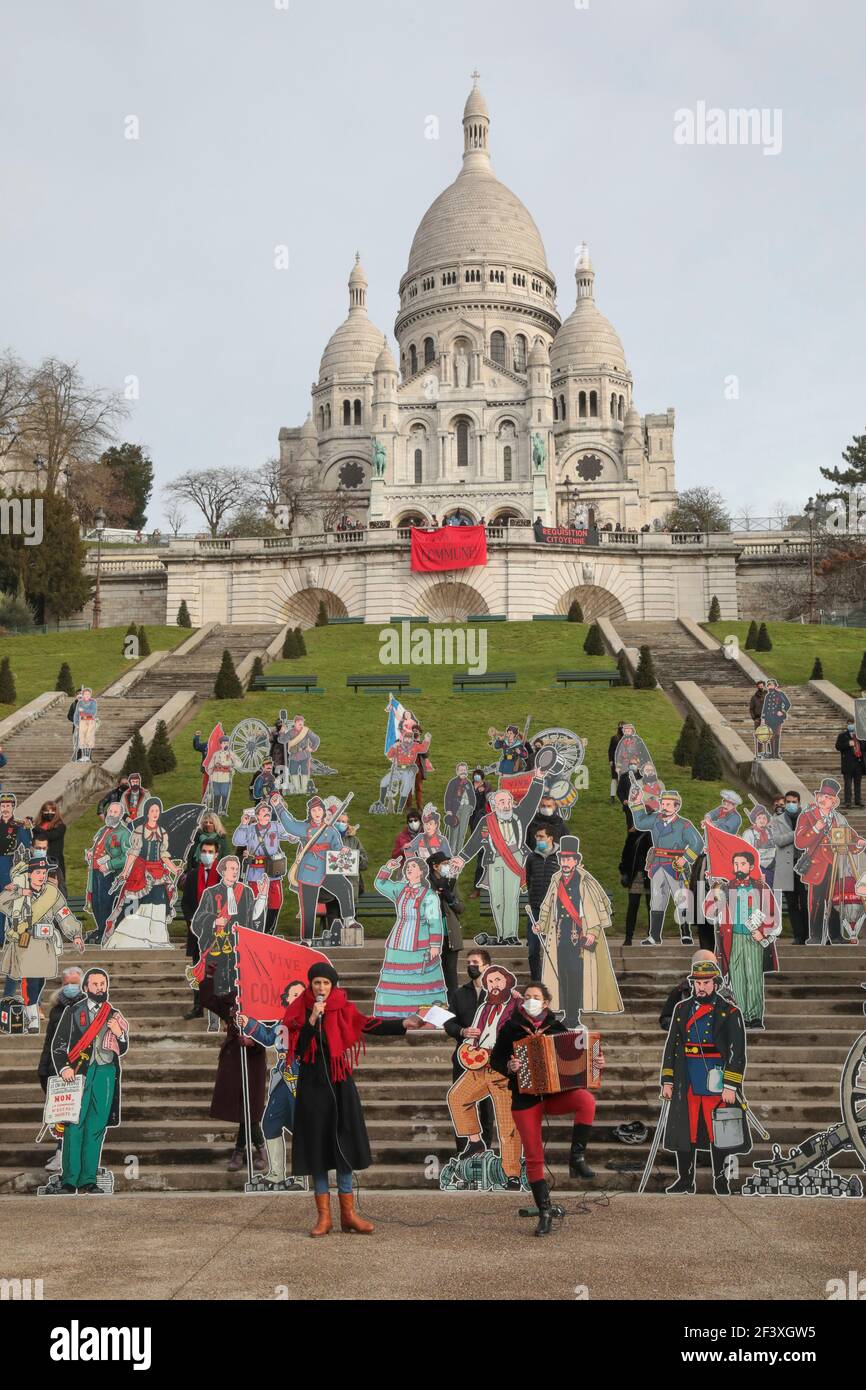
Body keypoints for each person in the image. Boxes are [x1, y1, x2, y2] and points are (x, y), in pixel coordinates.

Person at [284, 960, 423, 1235]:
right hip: (312, 1085)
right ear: (310, 985)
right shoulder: (300, 1009)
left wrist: (403, 1023)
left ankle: (348, 1214)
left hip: (339, 1083)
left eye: (326, 983)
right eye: (317, 983)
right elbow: (299, 1048)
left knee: (343, 1144)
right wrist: (312, 1019)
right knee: (318, 1148)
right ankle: (324, 1217)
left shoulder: (344, 1007)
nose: (321, 987)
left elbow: (368, 1024)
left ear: (333, 985)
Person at [491, 982, 599, 1233]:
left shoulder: (557, 1028)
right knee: (533, 1155)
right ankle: (545, 1211)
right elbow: (495, 1059)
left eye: (535, 997)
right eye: (527, 997)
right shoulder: (511, 1028)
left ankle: (577, 1158)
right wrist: (510, 1067)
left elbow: (577, 1059)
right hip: (525, 1098)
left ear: (546, 1003)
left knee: (586, 1101)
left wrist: (595, 1061)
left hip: (552, 1095)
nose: (530, 1000)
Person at [659, 952, 750, 1195]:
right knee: (684, 1130)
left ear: (715, 984)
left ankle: (721, 1180)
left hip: (716, 1080)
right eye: (697, 983)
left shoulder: (730, 1012)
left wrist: (730, 1086)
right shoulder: (681, 1009)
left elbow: (736, 1053)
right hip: (687, 1077)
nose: (701, 987)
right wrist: (667, 1080)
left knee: (720, 1132)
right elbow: (672, 1046)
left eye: (706, 982)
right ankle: (685, 1180)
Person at [445, 964, 523, 1189]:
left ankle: (512, 1174)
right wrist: (468, 1049)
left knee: (507, 1124)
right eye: (490, 982)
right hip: (480, 1066)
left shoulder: (518, 1006)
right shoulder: (484, 1008)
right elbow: (475, 1035)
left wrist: (523, 1001)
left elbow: (534, 1021)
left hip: (503, 1068)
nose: (494, 985)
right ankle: (476, 1142)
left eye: (498, 980)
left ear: (507, 982)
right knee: (457, 1098)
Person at [51, 967, 129, 1194]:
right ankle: (70, 1179)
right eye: (95, 984)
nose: (99, 988)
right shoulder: (74, 1012)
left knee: (97, 1127)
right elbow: (59, 1045)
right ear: (86, 988)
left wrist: (120, 1034)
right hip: (79, 1074)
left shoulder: (113, 1013)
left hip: (105, 1073)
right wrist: (64, 1067)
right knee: (75, 1125)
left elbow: (121, 1049)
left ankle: (88, 1179)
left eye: (103, 984)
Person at [534, 835, 623, 1026]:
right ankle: (567, 1013)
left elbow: (596, 910)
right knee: (563, 975)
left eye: (568, 859)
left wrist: (592, 932)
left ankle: (573, 1017)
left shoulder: (586, 881)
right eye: (562, 859)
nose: (565, 863)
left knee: (575, 975)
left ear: (576, 860)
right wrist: (540, 925)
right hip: (559, 936)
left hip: (580, 936)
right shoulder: (556, 879)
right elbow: (548, 906)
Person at [452, 768, 545, 945]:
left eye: (508, 801)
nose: (506, 805)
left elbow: (532, 800)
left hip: (515, 859)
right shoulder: (487, 821)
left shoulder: (520, 816)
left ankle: (510, 935)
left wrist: (538, 779)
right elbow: (474, 842)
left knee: (511, 898)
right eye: (501, 802)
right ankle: (502, 935)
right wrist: (462, 858)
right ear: (495, 806)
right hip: (493, 861)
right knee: (497, 900)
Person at [0, 854, 84, 1033]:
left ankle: (32, 1009)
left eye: (44, 872)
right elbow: (2, 902)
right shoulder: (20, 891)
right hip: (25, 941)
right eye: (37, 872)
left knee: (38, 981)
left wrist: (75, 933)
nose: (41, 876)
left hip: (44, 944)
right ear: (29, 874)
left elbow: (63, 914)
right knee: (30, 979)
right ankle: (32, 1016)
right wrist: (18, 892)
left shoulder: (52, 893)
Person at [237, 979, 306, 1189]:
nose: (296, 999)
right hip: (283, 1080)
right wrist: (248, 1022)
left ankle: (303, 1176)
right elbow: (267, 1037)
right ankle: (276, 1173)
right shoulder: (282, 1023)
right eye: (293, 995)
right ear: (286, 999)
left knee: (302, 1127)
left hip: (303, 1081)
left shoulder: (311, 1022)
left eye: (300, 995)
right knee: (270, 1123)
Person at [270, 792, 361, 942]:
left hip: (326, 869)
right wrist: (278, 806)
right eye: (314, 810)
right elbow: (290, 824)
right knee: (308, 906)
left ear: (323, 812)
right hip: (309, 870)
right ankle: (307, 939)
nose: (317, 813)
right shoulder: (305, 828)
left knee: (345, 886)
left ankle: (349, 919)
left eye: (319, 810)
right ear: (310, 813)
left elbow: (337, 846)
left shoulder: (331, 830)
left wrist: (343, 850)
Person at [199, 973, 267, 1174]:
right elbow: (206, 1000)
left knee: (250, 1107)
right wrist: (210, 976)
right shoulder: (230, 1000)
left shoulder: (263, 1002)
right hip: (233, 1059)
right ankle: (256, 1151)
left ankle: (243, 1152)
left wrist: (254, 1041)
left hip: (253, 1059)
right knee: (242, 1107)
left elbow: (270, 1030)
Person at [373, 855, 446, 1017]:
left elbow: (434, 921)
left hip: (420, 945)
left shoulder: (429, 895)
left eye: (413, 866)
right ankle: (392, 1014)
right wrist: (387, 868)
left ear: (421, 872)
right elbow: (380, 884)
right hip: (397, 942)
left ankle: (425, 1016)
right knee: (395, 979)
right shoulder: (400, 889)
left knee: (420, 980)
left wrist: (435, 945)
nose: (409, 869)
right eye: (407, 867)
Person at [794, 777, 864, 944]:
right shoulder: (808, 816)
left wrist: (859, 842)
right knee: (817, 902)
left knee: (836, 901)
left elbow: (850, 837)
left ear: (833, 802)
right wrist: (816, 828)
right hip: (818, 866)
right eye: (821, 795)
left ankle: (836, 936)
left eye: (827, 797)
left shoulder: (838, 818)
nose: (822, 799)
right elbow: (800, 841)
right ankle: (816, 936)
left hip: (836, 865)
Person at [105, 796, 180, 948]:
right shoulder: (140, 831)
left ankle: (156, 939)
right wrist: (125, 872)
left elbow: (163, 855)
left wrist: (174, 869)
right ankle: (131, 939)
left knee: (158, 905)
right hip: (141, 872)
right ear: (147, 812)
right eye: (152, 810)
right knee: (135, 906)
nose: (155, 813)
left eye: (157, 810)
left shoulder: (162, 832)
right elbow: (133, 853)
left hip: (158, 873)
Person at [632, 791, 703, 945]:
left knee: (681, 899)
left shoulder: (684, 824)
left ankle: (685, 933)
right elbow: (639, 823)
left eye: (668, 804)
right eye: (663, 804)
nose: (664, 807)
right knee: (657, 900)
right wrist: (637, 803)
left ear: (676, 807)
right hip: (657, 864)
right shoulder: (655, 819)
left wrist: (685, 859)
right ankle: (654, 935)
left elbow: (698, 843)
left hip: (676, 865)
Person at [37, 965, 83, 1174]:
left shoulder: (89, 1007)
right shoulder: (57, 1008)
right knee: (61, 1114)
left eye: (76, 983)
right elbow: (50, 1042)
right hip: (54, 1068)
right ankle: (63, 1153)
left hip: (77, 1069)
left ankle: (63, 1156)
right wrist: (43, 1067)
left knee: (69, 1115)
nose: (71, 987)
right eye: (68, 984)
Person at [232, 799, 295, 934]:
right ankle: (255, 929)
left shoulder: (276, 827)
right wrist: (243, 824)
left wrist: (291, 837)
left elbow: (288, 835)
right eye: (263, 811)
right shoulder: (250, 829)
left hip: (273, 869)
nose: (266, 814)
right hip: (256, 870)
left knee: (276, 900)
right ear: (257, 815)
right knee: (255, 900)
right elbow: (238, 840)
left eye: (268, 812)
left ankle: (269, 931)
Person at [181, 834, 222, 1022]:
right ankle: (198, 1006)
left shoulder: (223, 874)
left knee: (220, 969)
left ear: (216, 854)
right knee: (198, 969)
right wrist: (191, 923)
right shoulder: (192, 875)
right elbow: (186, 903)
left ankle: (220, 1007)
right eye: (204, 851)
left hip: (219, 933)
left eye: (210, 852)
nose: (207, 855)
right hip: (196, 932)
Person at [84, 801, 131, 945]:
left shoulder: (124, 833)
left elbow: (127, 856)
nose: (111, 814)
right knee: (97, 902)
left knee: (105, 902)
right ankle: (100, 929)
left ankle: (106, 931)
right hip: (96, 871)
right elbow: (97, 848)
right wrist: (90, 854)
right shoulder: (102, 830)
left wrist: (109, 864)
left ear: (121, 815)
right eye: (110, 811)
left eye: (115, 812)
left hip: (110, 874)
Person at [770, 792, 808, 944]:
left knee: (805, 903)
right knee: (792, 904)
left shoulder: (807, 818)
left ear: (799, 803)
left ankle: (809, 934)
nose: (791, 804)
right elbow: (778, 840)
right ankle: (798, 936)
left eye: (794, 801)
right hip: (786, 868)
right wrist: (796, 833)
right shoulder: (777, 820)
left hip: (804, 867)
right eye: (788, 802)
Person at [426, 850, 463, 995]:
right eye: (445, 863)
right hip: (432, 935)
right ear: (435, 866)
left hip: (450, 933)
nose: (448, 866)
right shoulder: (425, 884)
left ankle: (454, 1006)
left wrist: (450, 898)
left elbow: (461, 908)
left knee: (451, 974)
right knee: (432, 974)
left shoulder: (451, 882)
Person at [525, 823, 559, 975]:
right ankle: (536, 982)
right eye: (536, 836)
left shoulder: (560, 857)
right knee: (533, 949)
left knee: (555, 949)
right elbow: (528, 879)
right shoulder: (532, 857)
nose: (538, 839)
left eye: (541, 836)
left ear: (550, 838)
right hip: (536, 909)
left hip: (555, 910)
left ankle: (554, 980)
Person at [619, 822, 652, 946]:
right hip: (636, 875)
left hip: (651, 876)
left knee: (652, 908)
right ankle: (628, 937)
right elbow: (626, 854)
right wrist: (624, 872)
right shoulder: (633, 835)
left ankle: (651, 935)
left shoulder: (655, 833)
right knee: (632, 906)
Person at [0, 792, 31, 896]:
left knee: (7, 894)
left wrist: (27, 829)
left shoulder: (19, 825)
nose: (5, 809)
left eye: (8, 806)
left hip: (9, 864)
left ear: (13, 807)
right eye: (3, 806)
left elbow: (27, 845)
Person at [33, 802, 67, 894]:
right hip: (39, 861)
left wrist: (35, 827)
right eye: (46, 810)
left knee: (58, 886)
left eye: (52, 811)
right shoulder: (36, 827)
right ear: (42, 812)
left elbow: (50, 836)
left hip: (55, 862)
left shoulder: (61, 826)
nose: (49, 813)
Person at [204, 736, 243, 814]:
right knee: (216, 793)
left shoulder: (231, 754)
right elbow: (210, 765)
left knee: (224, 793)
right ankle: (215, 809)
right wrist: (210, 771)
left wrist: (233, 760)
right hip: (216, 776)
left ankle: (223, 809)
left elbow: (239, 764)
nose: (226, 745)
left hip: (225, 777)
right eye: (224, 743)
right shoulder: (216, 754)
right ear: (220, 744)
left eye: (227, 743)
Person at [444, 762, 474, 855]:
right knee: (454, 830)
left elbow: (472, 796)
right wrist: (448, 810)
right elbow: (448, 796)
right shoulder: (453, 782)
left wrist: (471, 807)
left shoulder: (468, 783)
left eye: (464, 770)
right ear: (457, 772)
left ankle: (459, 851)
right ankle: (451, 851)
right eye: (461, 770)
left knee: (462, 831)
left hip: (466, 808)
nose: (463, 772)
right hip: (455, 808)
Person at [743, 804, 776, 887]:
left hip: (773, 867)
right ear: (755, 820)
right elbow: (746, 853)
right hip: (758, 867)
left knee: (772, 891)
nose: (762, 820)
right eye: (759, 818)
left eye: (764, 818)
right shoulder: (749, 833)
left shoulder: (772, 832)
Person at [835, 721, 866, 808]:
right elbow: (838, 746)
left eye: (852, 723)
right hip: (848, 764)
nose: (851, 725)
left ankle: (858, 800)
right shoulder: (842, 735)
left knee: (858, 784)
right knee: (848, 784)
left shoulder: (860, 735)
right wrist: (847, 744)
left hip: (858, 763)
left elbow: (864, 747)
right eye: (849, 724)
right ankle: (848, 801)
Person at [759, 678, 791, 760]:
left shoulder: (780, 694)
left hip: (777, 719)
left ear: (775, 686)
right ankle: (771, 753)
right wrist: (763, 719)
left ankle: (776, 754)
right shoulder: (768, 696)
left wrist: (782, 712)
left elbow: (787, 704)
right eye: (768, 685)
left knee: (776, 735)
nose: (770, 687)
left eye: (771, 685)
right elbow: (765, 708)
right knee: (770, 736)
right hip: (768, 719)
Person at [70, 687, 98, 763]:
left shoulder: (93, 702)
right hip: (81, 722)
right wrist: (76, 723)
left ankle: (88, 756)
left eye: (88, 694)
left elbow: (93, 712)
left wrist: (83, 710)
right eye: (85, 694)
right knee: (82, 740)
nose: (86, 695)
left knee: (89, 739)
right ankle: (82, 756)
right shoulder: (80, 703)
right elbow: (76, 713)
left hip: (90, 721)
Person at [608, 723, 626, 803]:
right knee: (614, 779)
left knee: (622, 780)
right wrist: (611, 760)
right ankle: (612, 797)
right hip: (615, 762)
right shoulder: (614, 738)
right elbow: (611, 750)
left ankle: (623, 797)